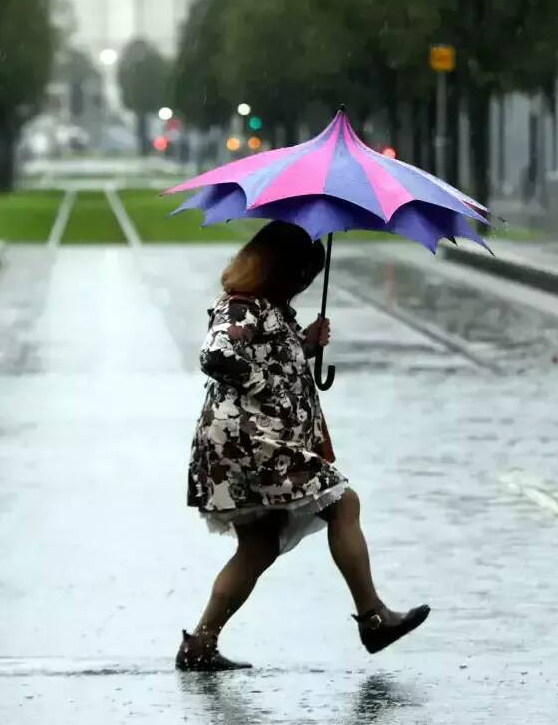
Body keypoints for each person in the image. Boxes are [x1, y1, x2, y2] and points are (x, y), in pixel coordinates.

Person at [178, 221, 430, 672]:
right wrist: (265, 384)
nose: (303, 284)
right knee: (342, 502)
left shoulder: (269, 310)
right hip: (251, 442)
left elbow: (268, 355)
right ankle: (373, 617)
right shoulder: (242, 307)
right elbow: (215, 355)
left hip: (251, 442)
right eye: (300, 275)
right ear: (278, 270)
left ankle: (200, 644)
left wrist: (303, 345)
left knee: (258, 549)